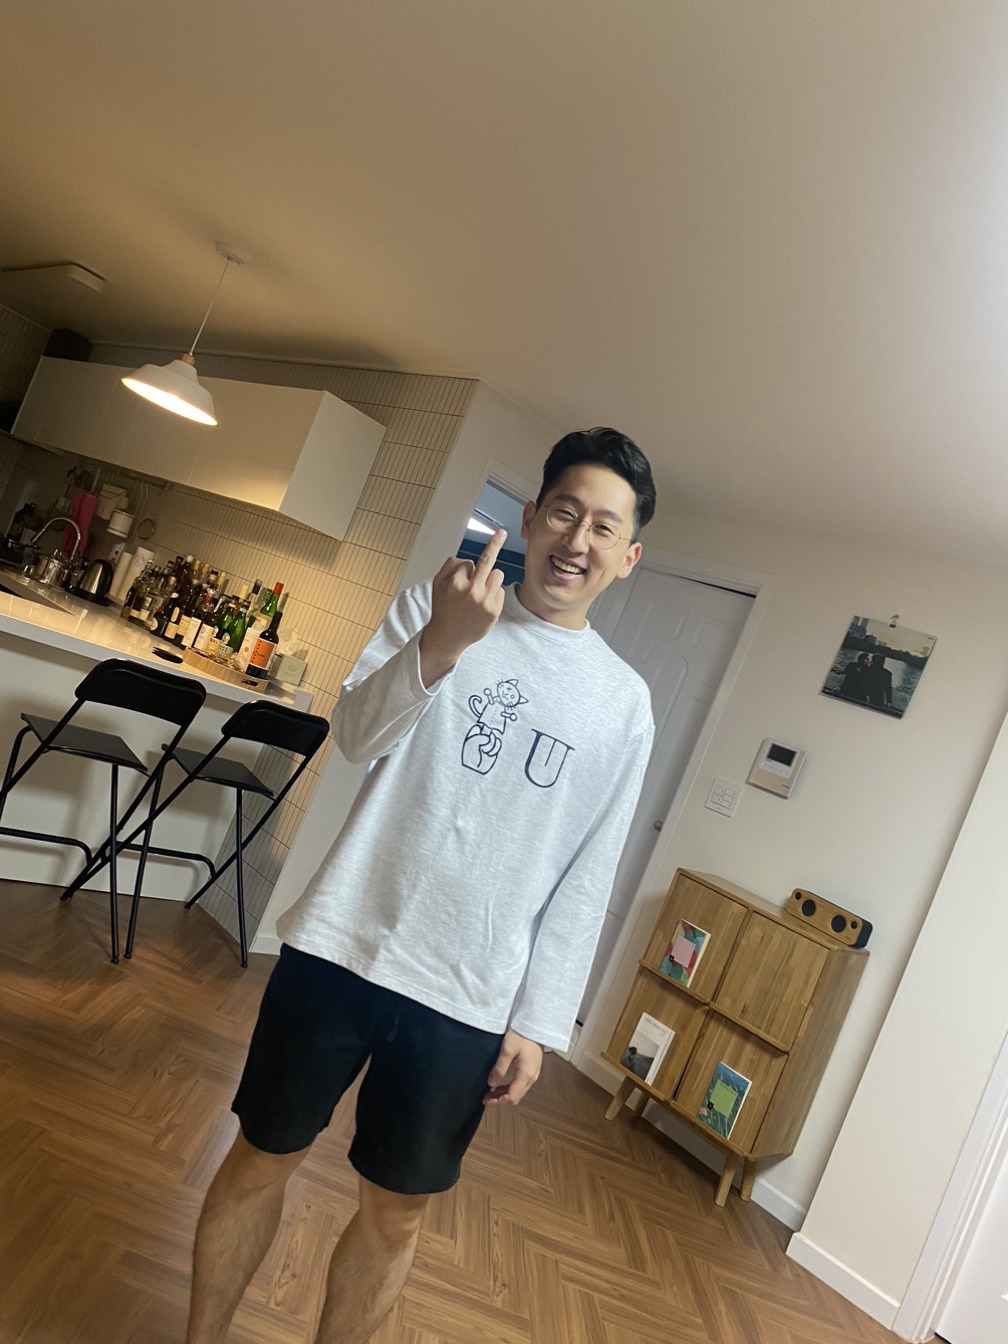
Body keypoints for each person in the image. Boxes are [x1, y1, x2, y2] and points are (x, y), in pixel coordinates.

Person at [184, 427, 657, 1344]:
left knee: (395, 1217)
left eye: (604, 526)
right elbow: (356, 737)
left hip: (467, 995)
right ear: (533, 516)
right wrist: (441, 646)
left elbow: (589, 871)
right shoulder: (435, 605)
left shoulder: (624, 704)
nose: (577, 539)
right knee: (259, 1160)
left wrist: (538, 1023)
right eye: (565, 512)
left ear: (627, 557)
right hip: (339, 947)